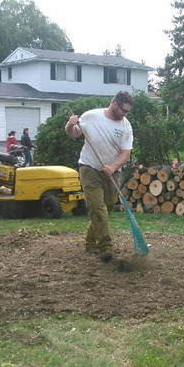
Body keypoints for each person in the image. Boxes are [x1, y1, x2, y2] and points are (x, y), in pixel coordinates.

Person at [65, 91, 134, 262]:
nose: (125, 115)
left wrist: (113, 167)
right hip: (89, 168)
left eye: (128, 112)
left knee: (106, 208)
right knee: (97, 208)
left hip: (111, 171)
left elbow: (126, 153)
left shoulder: (125, 126)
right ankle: (105, 248)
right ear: (115, 104)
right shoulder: (91, 116)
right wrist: (69, 125)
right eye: (124, 111)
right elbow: (73, 133)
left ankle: (90, 242)